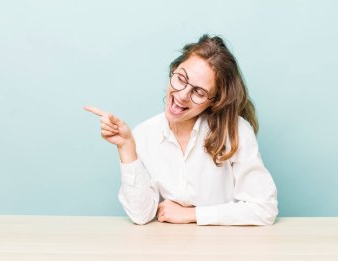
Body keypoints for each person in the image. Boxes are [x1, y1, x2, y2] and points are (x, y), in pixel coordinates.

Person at [84, 34, 278, 226]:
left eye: (199, 92)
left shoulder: (235, 131)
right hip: (169, 249)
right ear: (173, 71)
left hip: (223, 250)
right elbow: (140, 215)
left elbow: (264, 209)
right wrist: (126, 147)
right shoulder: (145, 133)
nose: (183, 95)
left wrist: (193, 214)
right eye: (181, 78)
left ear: (216, 101)